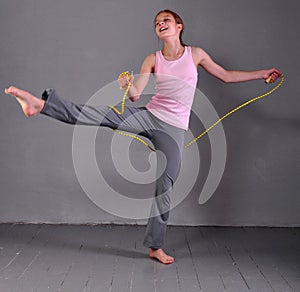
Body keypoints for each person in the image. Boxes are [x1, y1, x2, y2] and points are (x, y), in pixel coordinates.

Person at [4, 9, 282, 264]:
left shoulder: (195, 54)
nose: (161, 24)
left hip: (173, 129)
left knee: (166, 185)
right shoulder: (153, 58)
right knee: (103, 115)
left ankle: (155, 246)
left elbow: (226, 76)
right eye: (157, 23)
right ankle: (40, 105)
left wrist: (262, 74)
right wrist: (127, 86)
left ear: (179, 26)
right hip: (149, 116)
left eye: (166, 21)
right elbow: (137, 94)